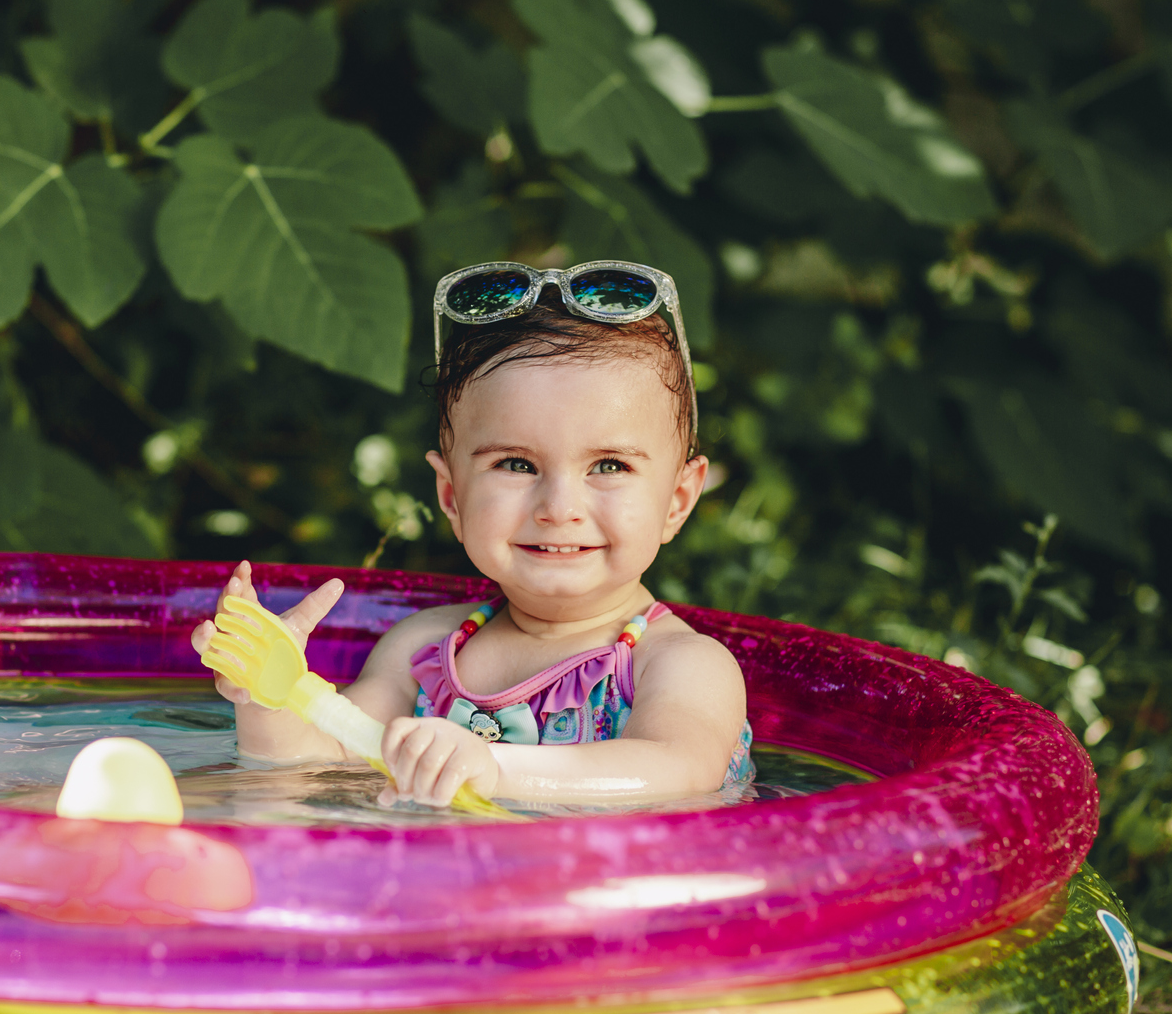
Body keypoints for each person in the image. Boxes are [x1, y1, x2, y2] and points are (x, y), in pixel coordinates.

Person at [190, 260, 752, 808]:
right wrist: (271, 699)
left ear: (678, 501)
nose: (559, 508)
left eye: (609, 466)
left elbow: (678, 769)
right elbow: (319, 766)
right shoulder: (421, 651)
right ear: (453, 496)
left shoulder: (682, 664)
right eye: (516, 464)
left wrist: (492, 765)